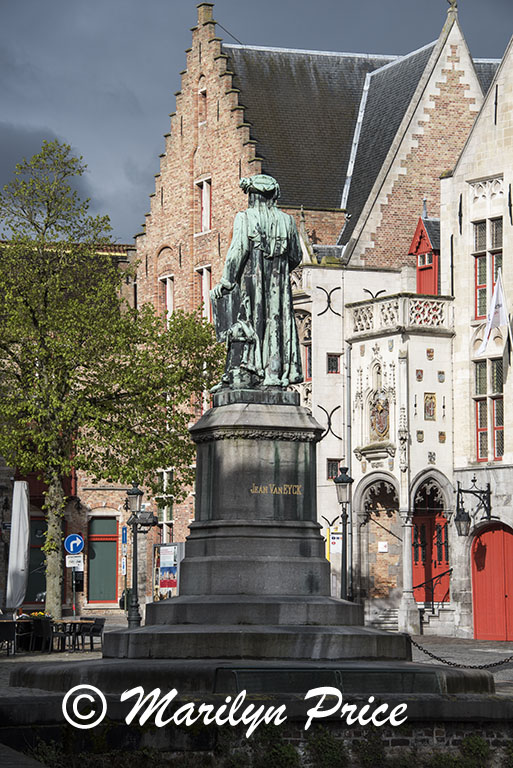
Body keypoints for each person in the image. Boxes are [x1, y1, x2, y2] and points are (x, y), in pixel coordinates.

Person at [211, 174, 303, 390]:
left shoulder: (245, 218)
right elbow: (296, 256)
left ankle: (250, 372)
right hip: (279, 288)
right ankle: (274, 373)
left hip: (251, 287)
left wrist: (226, 282)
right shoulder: (288, 221)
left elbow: (237, 251)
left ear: (253, 196)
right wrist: (278, 270)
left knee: (249, 324)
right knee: (276, 323)